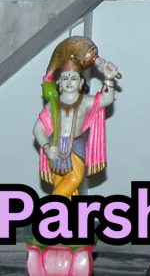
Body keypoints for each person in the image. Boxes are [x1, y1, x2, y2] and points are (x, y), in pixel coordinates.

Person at [33, 36, 119, 198]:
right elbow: (38, 129)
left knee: (74, 178)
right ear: (59, 83)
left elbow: (106, 99)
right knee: (67, 190)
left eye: (73, 78)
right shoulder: (52, 104)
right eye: (65, 78)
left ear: (81, 83)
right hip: (56, 147)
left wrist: (108, 78)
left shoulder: (85, 101)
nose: (69, 82)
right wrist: (46, 147)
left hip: (76, 148)